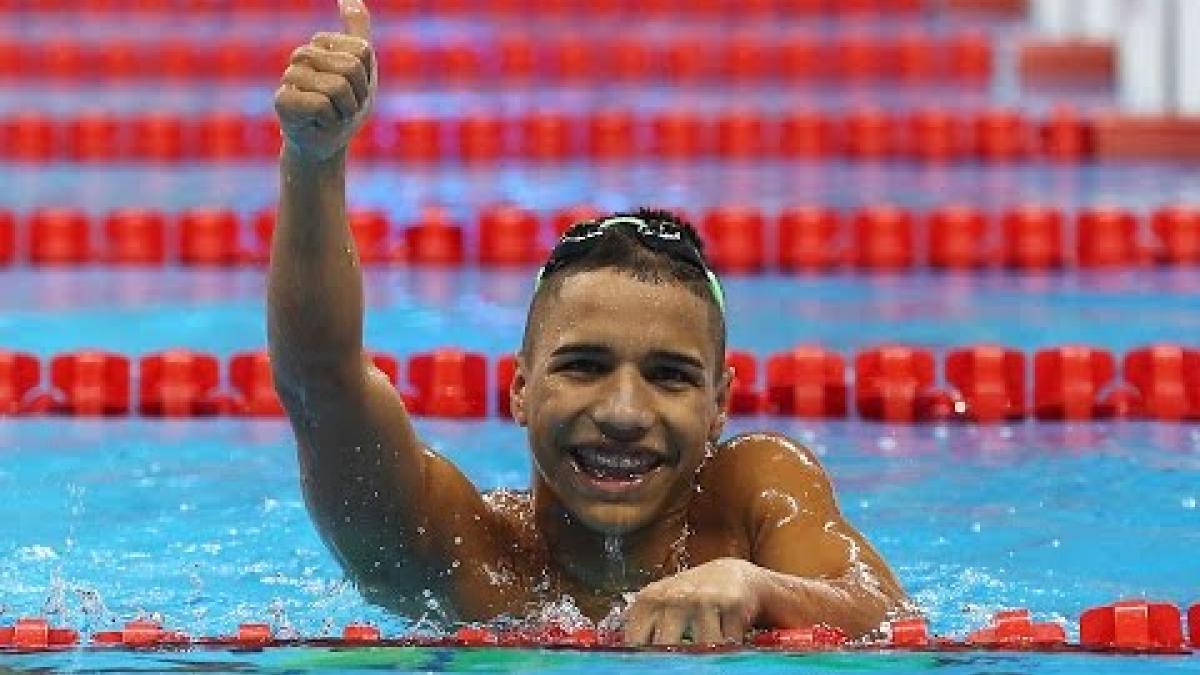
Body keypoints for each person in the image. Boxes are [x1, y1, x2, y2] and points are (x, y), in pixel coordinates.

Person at [268, 0, 908, 646]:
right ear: (520, 388)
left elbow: (888, 614)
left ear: (720, 405)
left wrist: (755, 585)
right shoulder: (464, 558)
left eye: (669, 375)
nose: (625, 410)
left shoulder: (752, 497)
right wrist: (314, 161)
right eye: (584, 365)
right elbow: (320, 385)